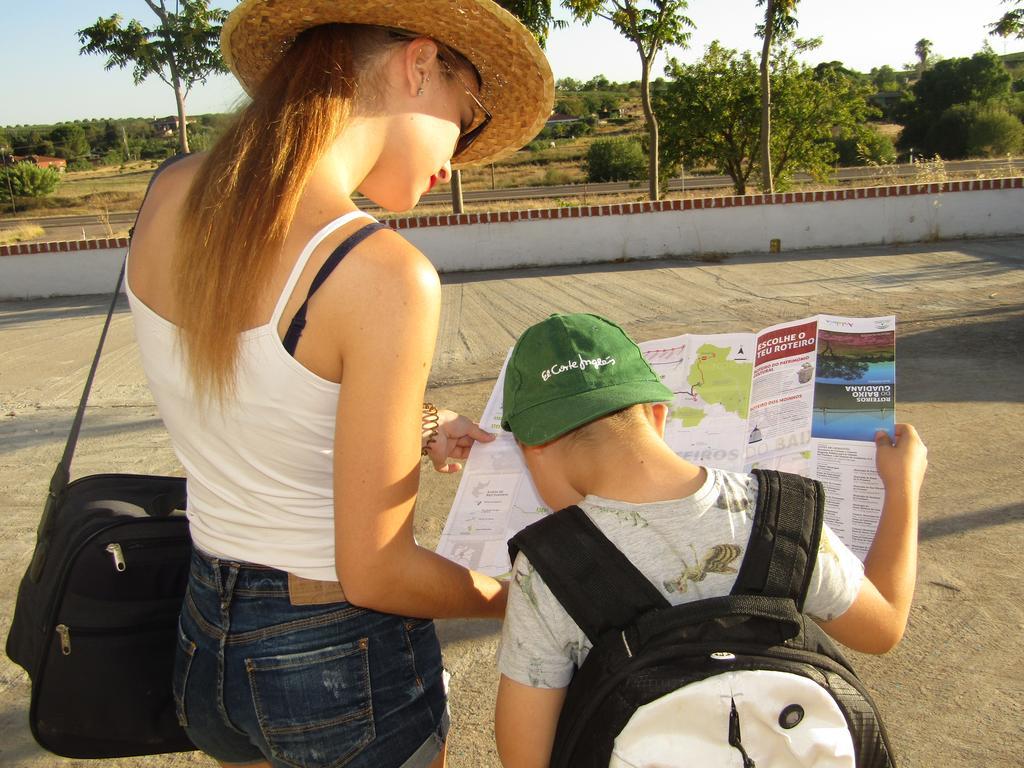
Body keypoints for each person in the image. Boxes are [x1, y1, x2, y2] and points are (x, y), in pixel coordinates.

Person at [124, 1, 553, 766]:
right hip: (333, 665)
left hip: (205, 644)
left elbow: (259, 388)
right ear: (419, 65)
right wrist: (520, 600)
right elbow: (378, 569)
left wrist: (419, 424)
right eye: (467, 117)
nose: (456, 158)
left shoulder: (171, 191)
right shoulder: (381, 274)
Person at [492, 313, 928, 768]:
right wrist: (902, 489)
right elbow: (884, 627)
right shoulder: (785, 516)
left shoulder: (549, 570)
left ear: (533, 450)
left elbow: (526, 758)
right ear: (658, 416)